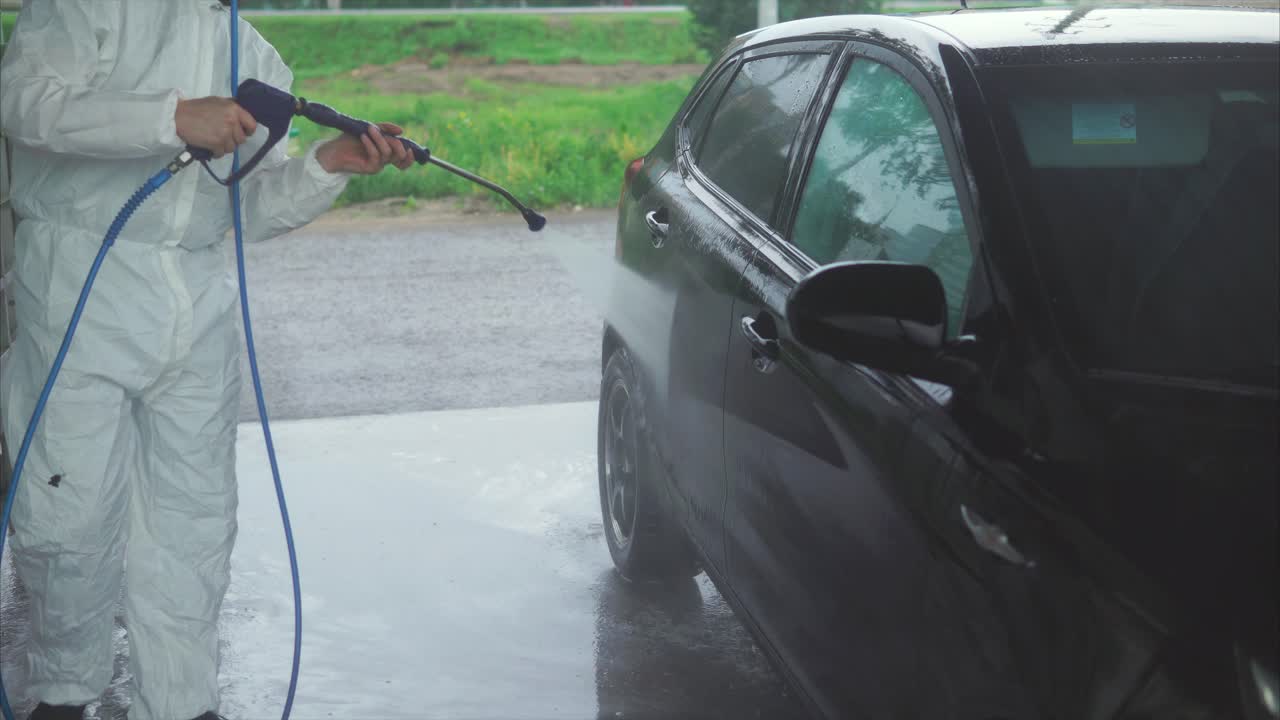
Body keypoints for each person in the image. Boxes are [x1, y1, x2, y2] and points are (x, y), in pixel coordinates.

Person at [0, 2, 412, 718]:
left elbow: (244, 208)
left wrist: (327, 165)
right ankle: (64, 691)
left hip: (195, 304)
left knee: (194, 520)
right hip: (78, 285)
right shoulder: (84, 8)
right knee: (68, 515)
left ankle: (182, 701)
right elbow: (25, 102)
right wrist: (170, 118)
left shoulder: (256, 57)